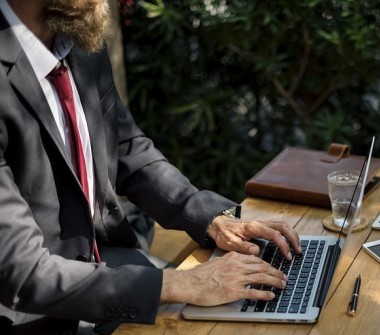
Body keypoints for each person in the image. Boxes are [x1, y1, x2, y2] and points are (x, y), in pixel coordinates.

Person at [0, 0, 303, 333]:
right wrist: (178, 285)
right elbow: (22, 271)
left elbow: (127, 148)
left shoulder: (77, 38)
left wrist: (210, 218)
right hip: (31, 315)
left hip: (109, 265)